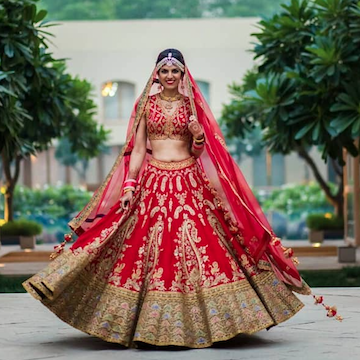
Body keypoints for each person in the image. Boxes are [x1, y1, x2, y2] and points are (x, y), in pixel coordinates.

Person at [22, 49, 339, 349]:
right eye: (165, 70)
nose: (170, 74)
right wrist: (130, 185)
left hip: (189, 180)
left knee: (202, 247)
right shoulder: (147, 104)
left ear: (183, 73)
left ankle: (213, 321)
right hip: (153, 181)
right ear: (156, 73)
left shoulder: (191, 106)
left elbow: (200, 151)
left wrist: (198, 133)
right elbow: (136, 150)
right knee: (141, 248)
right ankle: (140, 324)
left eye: (176, 70)